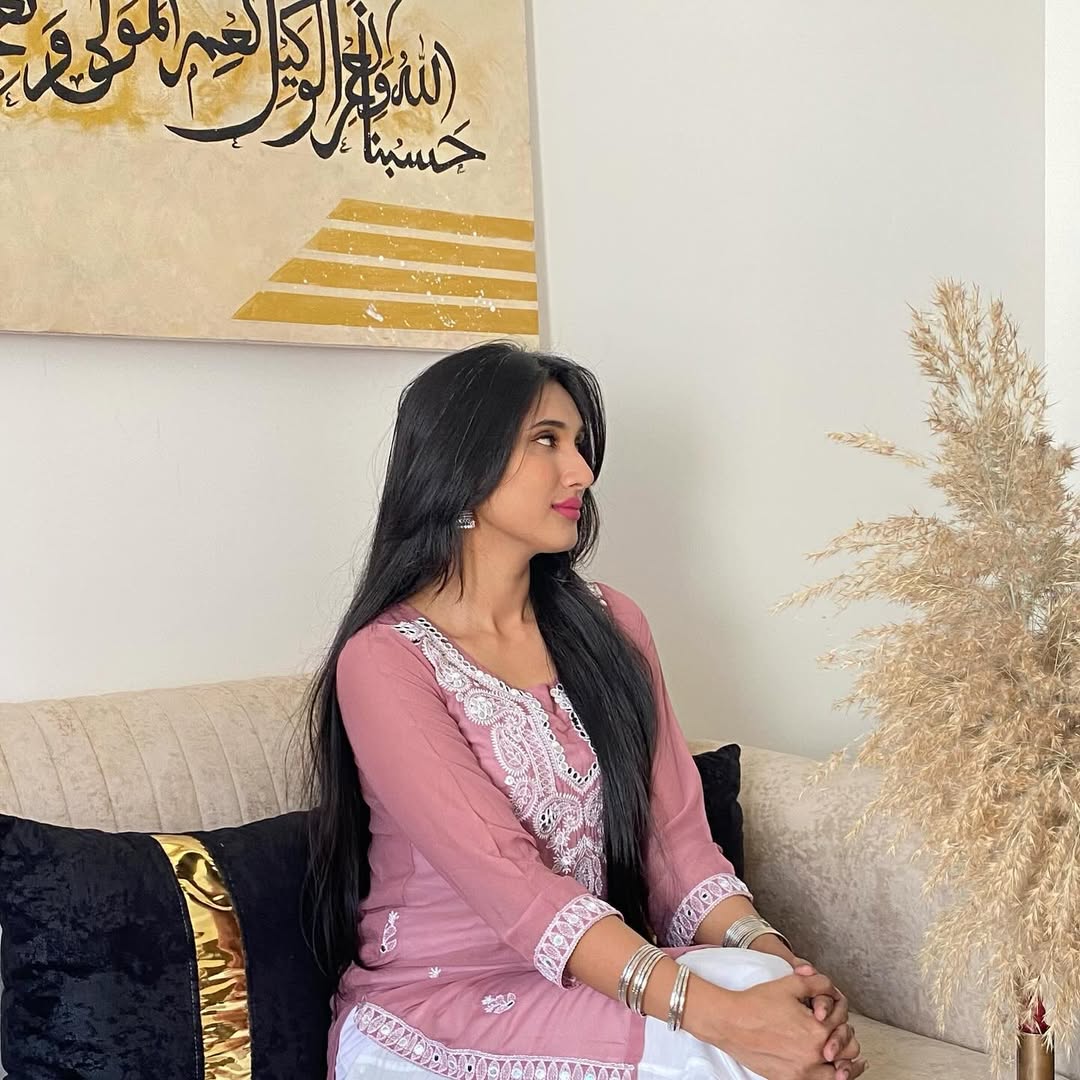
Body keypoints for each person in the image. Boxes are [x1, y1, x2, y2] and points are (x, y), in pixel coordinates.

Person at [303, 342, 868, 1080]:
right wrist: (722, 1017)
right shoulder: (385, 662)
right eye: (547, 441)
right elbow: (513, 883)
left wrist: (784, 972)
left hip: (591, 984)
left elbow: (676, 846)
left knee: (771, 1001)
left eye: (578, 444)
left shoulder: (612, 626)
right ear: (461, 461)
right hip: (436, 1008)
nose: (581, 472)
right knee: (712, 1048)